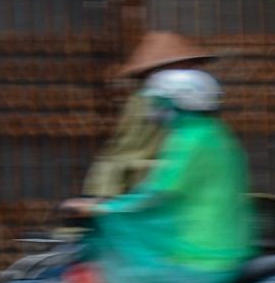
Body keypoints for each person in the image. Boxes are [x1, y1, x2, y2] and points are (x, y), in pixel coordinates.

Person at [63, 69, 259, 283]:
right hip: (225, 244)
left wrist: (100, 208)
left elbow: (157, 193)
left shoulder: (189, 139)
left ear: (179, 102)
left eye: (161, 102)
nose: (156, 110)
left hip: (201, 252)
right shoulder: (215, 133)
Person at [83, 31, 219, 198]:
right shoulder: (150, 101)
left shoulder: (184, 102)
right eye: (185, 65)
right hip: (138, 184)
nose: (192, 70)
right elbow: (129, 150)